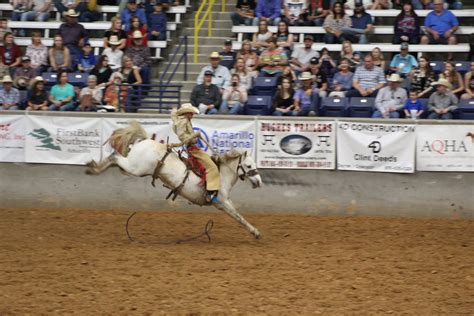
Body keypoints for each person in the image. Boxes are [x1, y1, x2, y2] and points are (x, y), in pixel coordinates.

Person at [171, 103, 221, 204]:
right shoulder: (183, 121)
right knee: (212, 167)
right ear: (187, 113)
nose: (192, 115)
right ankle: (210, 194)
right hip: (192, 149)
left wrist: (193, 136)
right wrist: (193, 137)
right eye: (191, 113)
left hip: (193, 148)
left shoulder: (185, 121)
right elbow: (182, 136)